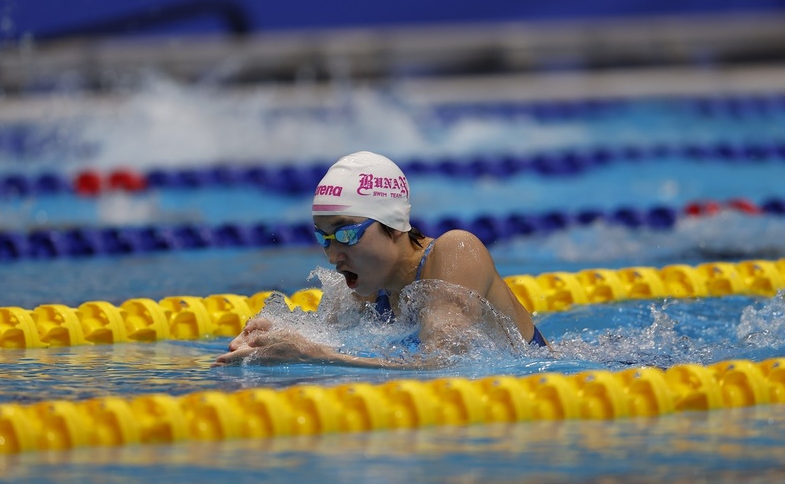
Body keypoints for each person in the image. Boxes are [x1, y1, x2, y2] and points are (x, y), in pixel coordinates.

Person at [213, 151, 551, 367]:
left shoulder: (455, 252)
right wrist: (273, 337)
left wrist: (314, 356)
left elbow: (443, 365)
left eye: (346, 234)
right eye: (323, 238)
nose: (333, 255)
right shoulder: (364, 291)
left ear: (393, 225)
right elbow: (324, 341)